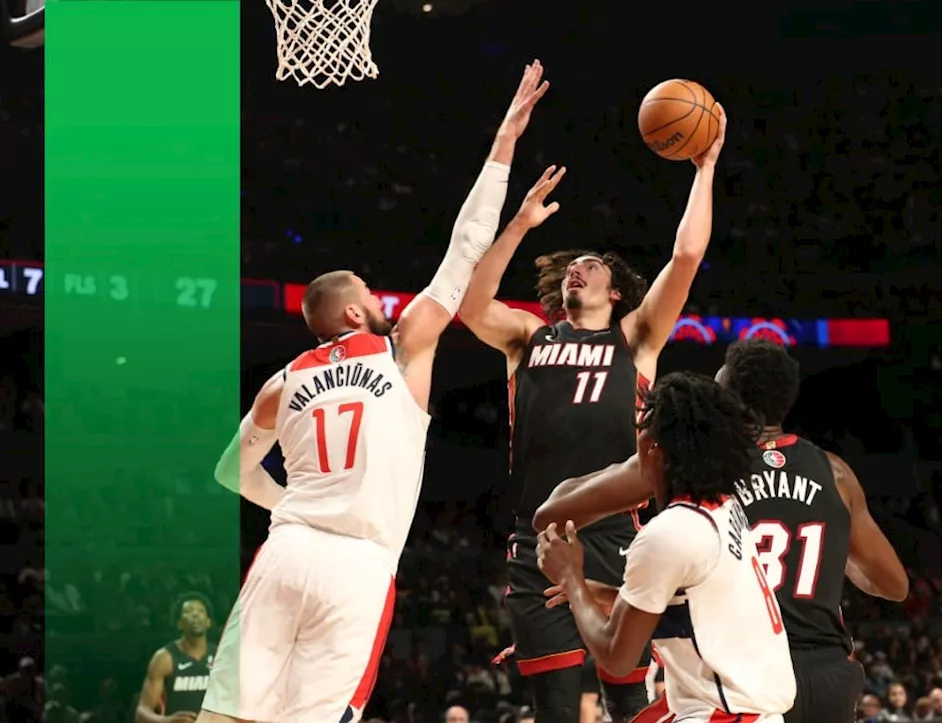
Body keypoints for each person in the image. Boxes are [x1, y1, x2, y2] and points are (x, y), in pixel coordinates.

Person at [195, 61, 551, 723]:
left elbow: (227, 470)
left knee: (225, 716)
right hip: (355, 565)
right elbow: (465, 246)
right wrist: (504, 141)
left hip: (286, 549)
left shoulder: (285, 379)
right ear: (354, 315)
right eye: (367, 290)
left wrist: (296, 508)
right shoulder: (402, 346)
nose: (378, 295)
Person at [457, 69, 727, 723]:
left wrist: (704, 167)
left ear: (615, 291)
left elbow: (686, 256)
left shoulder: (638, 337)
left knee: (625, 695)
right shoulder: (527, 335)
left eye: (593, 266)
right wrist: (519, 223)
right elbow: (469, 305)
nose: (579, 267)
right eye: (573, 266)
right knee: (553, 706)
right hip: (538, 536)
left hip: (619, 534)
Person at [533, 339, 908, 723]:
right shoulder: (835, 473)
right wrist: (828, 549)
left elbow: (552, 514)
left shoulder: (700, 468)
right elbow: (893, 586)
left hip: (742, 671)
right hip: (826, 674)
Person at [536, 372, 795, 723]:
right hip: (751, 709)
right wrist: (604, 594)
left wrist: (573, 580)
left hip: (725, 715)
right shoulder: (722, 507)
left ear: (651, 446)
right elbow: (693, 607)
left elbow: (615, 656)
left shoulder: (670, 533)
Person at [136, 593, 217, 723]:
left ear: (209, 622)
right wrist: (168, 721)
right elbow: (142, 713)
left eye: (201, 611)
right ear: (179, 623)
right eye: (188, 611)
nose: (195, 614)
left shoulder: (221, 656)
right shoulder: (164, 658)